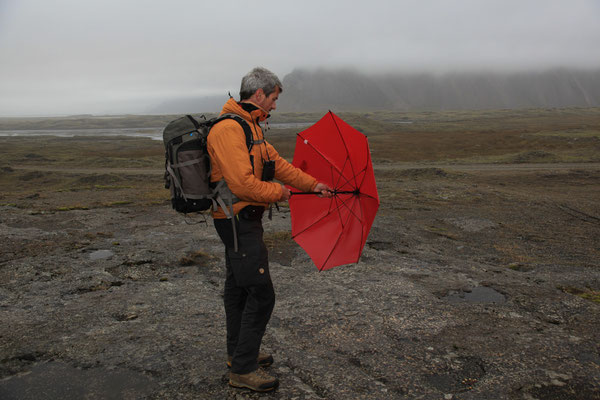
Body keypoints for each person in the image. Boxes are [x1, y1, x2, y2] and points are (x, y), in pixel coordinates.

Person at [207, 67, 331, 392]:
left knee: (238, 289)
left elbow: (280, 166)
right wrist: (279, 193)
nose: (275, 106)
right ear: (259, 94)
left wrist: (314, 185)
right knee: (262, 294)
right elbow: (242, 184)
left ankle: (239, 356)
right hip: (236, 220)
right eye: (274, 99)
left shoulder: (253, 129)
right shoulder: (229, 129)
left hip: (243, 220)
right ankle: (243, 370)